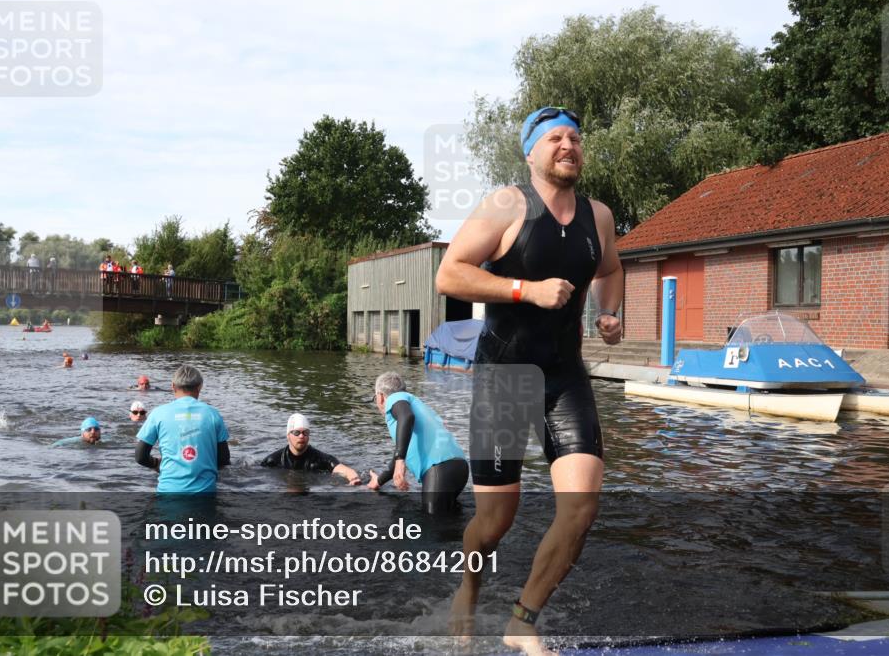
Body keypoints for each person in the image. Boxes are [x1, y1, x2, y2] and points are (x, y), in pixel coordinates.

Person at [434, 106, 624, 655]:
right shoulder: (507, 204)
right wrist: (526, 289)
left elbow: (610, 269)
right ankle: (468, 587)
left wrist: (610, 314)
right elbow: (451, 273)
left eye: (575, 138)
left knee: (582, 507)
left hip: (565, 375)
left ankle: (522, 621)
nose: (568, 145)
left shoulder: (599, 216)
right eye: (555, 138)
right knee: (495, 521)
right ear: (532, 152)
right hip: (505, 377)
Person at [366, 372, 469, 514]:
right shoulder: (415, 405)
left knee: (432, 528)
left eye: (374, 398)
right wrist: (379, 481)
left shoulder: (395, 398)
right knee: (449, 522)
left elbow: (407, 417)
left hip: (439, 468)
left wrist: (400, 461)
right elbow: (399, 456)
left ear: (381, 396)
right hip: (458, 467)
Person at [135, 364, 230, 493]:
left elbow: (140, 457)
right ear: (200, 386)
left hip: (168, 492)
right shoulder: (212, 414)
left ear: (173, 386)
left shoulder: (158, 413)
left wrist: (156, 463)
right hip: (205, 493)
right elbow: (224, 459)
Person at [260, 413, 362, 485]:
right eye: (296, 433)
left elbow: (342, 469)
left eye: (305, 433)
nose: (301, 436)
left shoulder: (320, 459)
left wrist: (354, 479)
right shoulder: (272, 460)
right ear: (288, 435)